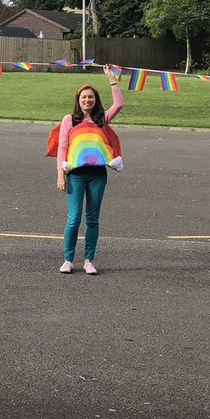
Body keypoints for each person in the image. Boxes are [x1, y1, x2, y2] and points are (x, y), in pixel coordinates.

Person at [56, 65, 123, 275]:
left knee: (92, 218)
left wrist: (111, 79)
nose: (87, 100)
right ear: (79, 100)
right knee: (74, 218)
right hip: (75, 174)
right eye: (84, 97)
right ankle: (68, 259)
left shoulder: (101, 119)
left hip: (97, 175)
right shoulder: (69, 119)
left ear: (95, 100)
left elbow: (119, 104)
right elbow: (62, 147)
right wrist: (60, 173)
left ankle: (88, 260)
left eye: (91, 97)